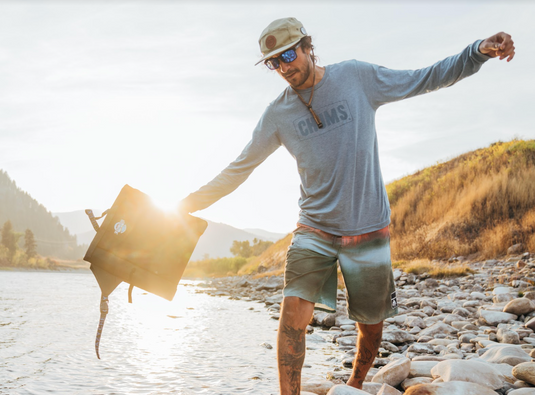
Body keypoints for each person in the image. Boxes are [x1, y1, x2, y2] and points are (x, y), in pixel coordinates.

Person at [180, 17, 515, 395]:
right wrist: (184, 206)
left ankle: (354, 385)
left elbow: (423, 77)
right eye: (274, 62)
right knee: (293, 315)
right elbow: (237, 169)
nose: (285, 67)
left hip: (368, 228)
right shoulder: (277, 115)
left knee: (371, 324)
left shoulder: (356, 77)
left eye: (289, 54)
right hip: (314, 229)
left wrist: (477, 52)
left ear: (308, 46)